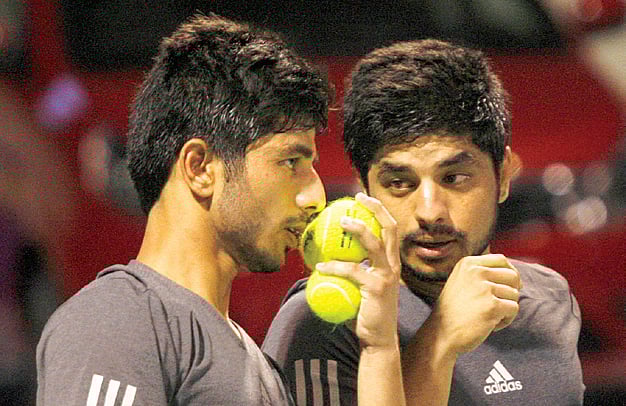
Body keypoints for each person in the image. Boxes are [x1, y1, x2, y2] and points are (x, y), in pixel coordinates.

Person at [36, 14, 405, 405]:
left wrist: (379, 347)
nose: (315, 196)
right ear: (200, 168)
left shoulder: (257, 364)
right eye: (290, 162)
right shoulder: (116, 323)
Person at [263, 39, 585, 405]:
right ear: (364, 189)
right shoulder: (321, 323)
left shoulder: (551, 298)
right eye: (399, 183)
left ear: (504, 175)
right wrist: (440, 339)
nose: (430, 212)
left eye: (455, 178)